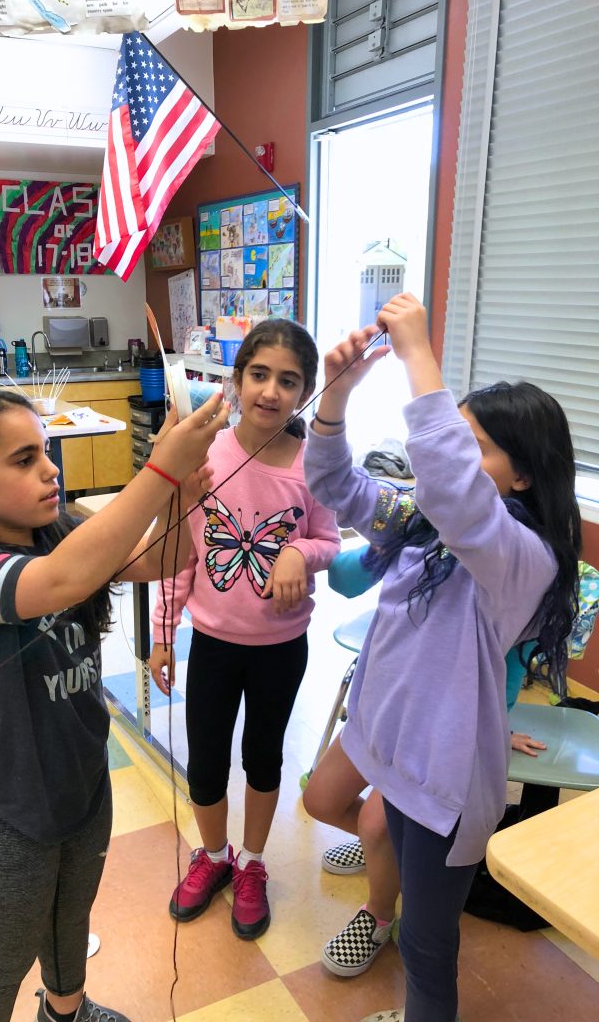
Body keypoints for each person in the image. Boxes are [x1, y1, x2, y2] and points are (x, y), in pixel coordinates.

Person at [0, 387, 229, 1022]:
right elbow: (63, 580)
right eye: (23, 460)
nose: (50, 468)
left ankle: (66, 1010)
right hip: (5, 801)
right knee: (3, 953)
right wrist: (158, 471)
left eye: (46, 451)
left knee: (69, 919)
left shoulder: (56, 531)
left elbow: (165, 558)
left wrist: (184, 496)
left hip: (79, 775)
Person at [304, 293, 580, 1022]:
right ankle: (382, 896)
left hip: (443, 783)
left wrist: (418, 356)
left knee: (428, 951)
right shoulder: (426, 521)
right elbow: (336, 485)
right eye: (455, 440)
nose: (450, 458)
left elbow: (456, 490)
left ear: (524, 476)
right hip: (390, 743)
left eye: (475, 446)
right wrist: (333, 403)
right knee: (342, 814)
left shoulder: (524, 557)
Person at [148, 319, 340, 940]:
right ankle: (214, 856)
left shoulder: (317, 468)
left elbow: (329, 542)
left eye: (289, 381)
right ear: (235, 382)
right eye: (259, 375)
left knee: (263, 757)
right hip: (213, 645)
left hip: (281, 649)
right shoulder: (203, 455)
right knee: (205, 761)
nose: (271, 391)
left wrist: (299, 554)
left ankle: (253, 862)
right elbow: (181, 552)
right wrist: (162, 632)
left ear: (306, 391)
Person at [307, 544, 550, 980]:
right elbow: (344, 579)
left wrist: (493, 726)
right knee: (321, 799)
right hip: (383, 710)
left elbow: (508, 665)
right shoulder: (423, 522)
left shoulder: (512, 549)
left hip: (430, 734)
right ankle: (390, 854)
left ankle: (379, 913)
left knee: (376, 824)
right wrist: (394, 533)